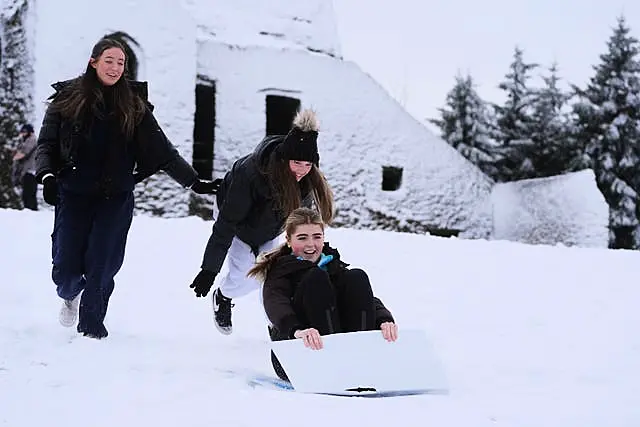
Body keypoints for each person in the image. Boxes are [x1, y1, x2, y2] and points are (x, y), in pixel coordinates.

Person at [35, 37, 219, 339]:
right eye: (109, 60)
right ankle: (70, 296)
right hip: (74, 193)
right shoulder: (66, 98)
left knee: (102, 261)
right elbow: (47, 144)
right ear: (94, 62)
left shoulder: (133, 105)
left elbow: (163, 151)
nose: (115, 67)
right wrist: (47, 176)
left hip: (114, 196)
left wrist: (194, 182)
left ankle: (92, 325)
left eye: (121, 63)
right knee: (66, 269)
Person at [189, 109, 334, 335]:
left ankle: (278, 326)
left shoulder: (304, 180)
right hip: (237, 224)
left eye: (308, 165)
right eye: (297, 163)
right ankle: (223, 296)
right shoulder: (251, 174)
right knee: (244, 273)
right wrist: (209, 268)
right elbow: (226, 225)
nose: (302, 170)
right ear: (285, 157)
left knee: (272, 276)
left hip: (268, 228)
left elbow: (301, 222)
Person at [247, 207, 398, 381]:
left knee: (356, 276)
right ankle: (333, 360)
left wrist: (384, 320)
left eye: (317, 237)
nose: (311, 245)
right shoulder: (280, 271)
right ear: (288, 240)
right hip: (294, 353)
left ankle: (360, 354)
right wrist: (296, 330)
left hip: (345, 352)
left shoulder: (333, 265)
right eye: (302, 238)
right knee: (316, 278)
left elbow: (367, 299)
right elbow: (275, 304)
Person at [11, 123, 38, 210]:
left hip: (30, 171)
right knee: (27, 195)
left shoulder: (31, 140)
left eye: (24, 131)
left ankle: (32, 213)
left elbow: (24, 153)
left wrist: (15, 155)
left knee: (29, 195)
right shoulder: (26, 140)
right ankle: (31, 213)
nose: (22, 134)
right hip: (28, 171)